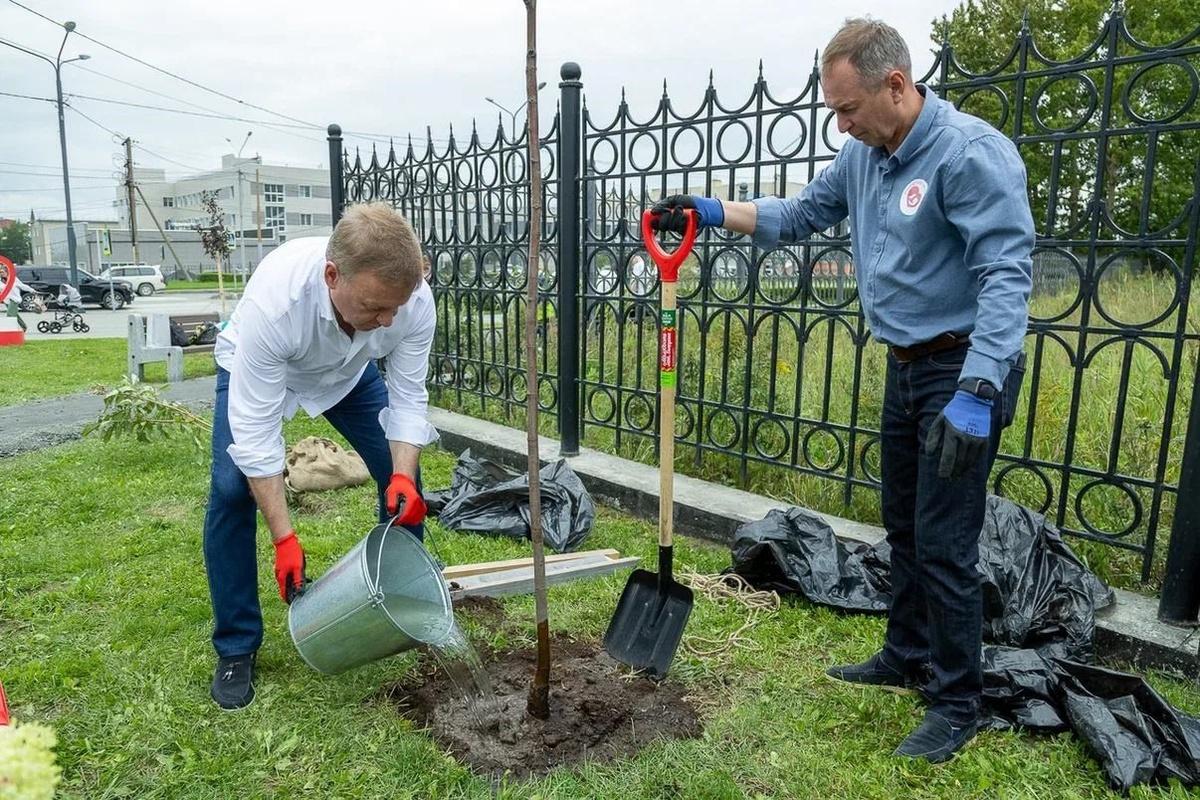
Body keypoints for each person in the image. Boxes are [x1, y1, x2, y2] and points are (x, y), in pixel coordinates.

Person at [650, 17, 1033, 762]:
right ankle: (905, 653)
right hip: (907, 366)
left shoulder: (970, 154)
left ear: (897, 84)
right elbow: (798, 215)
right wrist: (708, 210)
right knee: (905, 526)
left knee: (948, 544)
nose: (841, 123)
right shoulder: (866, 157)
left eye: (848, 108)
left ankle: (957, 702)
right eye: (834, 110)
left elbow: (1005, 276)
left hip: (964, 372)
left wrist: (980, 389)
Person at [204, 201, 439, 710]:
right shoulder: (278, 304)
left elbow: (408, 397)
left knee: (404, 490)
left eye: (395, 308)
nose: (387, 320)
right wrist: (285, 537)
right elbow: (257, 437)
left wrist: (402, 474)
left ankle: (402, 607)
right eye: (376, 307)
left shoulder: (410, 300)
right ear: (333, 276)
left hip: (349, 375)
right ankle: (237, 646)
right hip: (264, 366)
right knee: (229, 492)